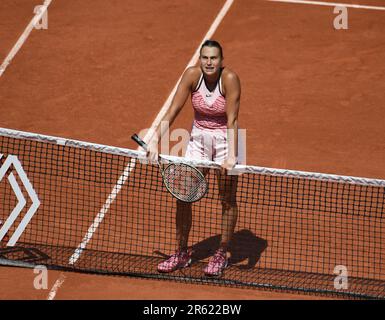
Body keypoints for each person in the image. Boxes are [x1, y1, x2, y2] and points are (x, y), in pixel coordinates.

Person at [146, 40, 241, 277]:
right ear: (200, 59)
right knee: (184, 196)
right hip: (198, 138)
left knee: (227, 199)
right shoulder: (191, 76)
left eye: (214, 58)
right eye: (205, 58)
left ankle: (221, 253)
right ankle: (181, 252)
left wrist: (231, 155)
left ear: (221, 61)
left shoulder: (229, 79)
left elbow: (232, 120)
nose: (209, 62)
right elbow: (173, 110)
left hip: (224, 139)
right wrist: (154, 139)